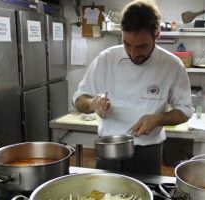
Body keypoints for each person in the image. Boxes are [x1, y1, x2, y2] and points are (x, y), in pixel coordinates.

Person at [73, 0, 194, 175]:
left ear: (157, 34)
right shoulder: (106, 59)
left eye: (142, 46)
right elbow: (78, 99)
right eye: (127, 44)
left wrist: (158, 119)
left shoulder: (172, 66)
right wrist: (93, 103)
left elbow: (184, 111)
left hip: (147, 153)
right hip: (108, 148)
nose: (133, 53)